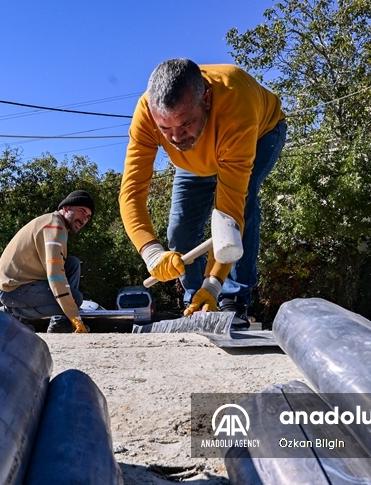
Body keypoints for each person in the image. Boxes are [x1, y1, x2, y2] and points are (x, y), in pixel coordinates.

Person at [119, 58, 287, 329]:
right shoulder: (146, 115)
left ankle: (233, 299)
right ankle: (195, 302)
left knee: (243, 206)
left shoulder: (236, 107)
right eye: (165, 129)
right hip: (196, 159)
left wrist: (214, 282)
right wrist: (151, 252)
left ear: (206, 99)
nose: (175, 138)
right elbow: (131, 192)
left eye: (185, 123)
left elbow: (229, 212)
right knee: (180, 230)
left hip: (261, 133)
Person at [0, 190, 94, 333]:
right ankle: (11, 313)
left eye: (88, 216)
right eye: (82, 211)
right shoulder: (54, 227)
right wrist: (75, 317)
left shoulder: (55, 223)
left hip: (22, 281)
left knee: (72, 263)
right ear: (66, 208)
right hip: (11, 289)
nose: (84, 218)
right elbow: (56, 276)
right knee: (76, 299)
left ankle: (60, 323)